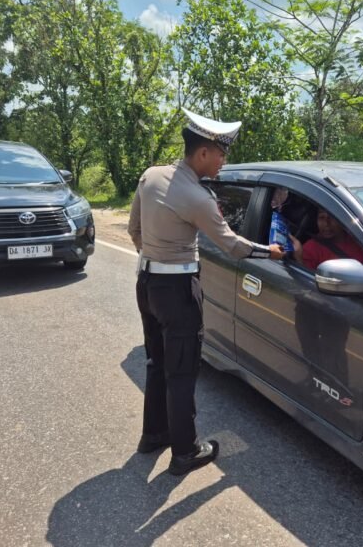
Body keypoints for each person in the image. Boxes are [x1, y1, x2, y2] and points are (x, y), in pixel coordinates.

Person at [128, 108, 284, 476]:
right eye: (221, 153)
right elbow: (232, 245)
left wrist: (155, 259)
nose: (224, 160)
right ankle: (185, 452)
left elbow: (135, 228)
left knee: (157, 363)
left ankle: (154, 434)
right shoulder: (197, 198)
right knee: (181, 373)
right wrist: (270, 251)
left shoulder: (151, 176)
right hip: (178, 290)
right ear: (203, 153)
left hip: (147, 283)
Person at [290, 208, 363, 271]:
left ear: (342, 220)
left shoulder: (359, 241)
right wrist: (299, 258)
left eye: (332, 217)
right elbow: (306, 281)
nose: (326, 223)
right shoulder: (311, 248)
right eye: (322, 218)